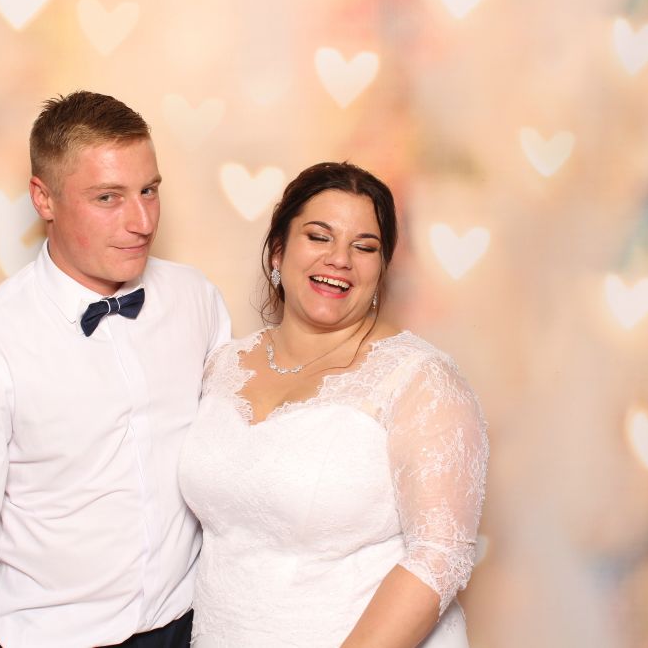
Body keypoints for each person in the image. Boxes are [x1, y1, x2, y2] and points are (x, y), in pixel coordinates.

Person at [0, 91, 231, 648]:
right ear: (44, 198)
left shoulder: (196, 300)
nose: (141, 222)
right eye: (108, 197)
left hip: (190, 626)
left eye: (149, 191)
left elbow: (228, 463)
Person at [178, 162, 488, 647]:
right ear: (278, 250)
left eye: (364, 247)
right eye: (319, 237)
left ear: (381, 269)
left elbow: (440, 554)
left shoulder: (422, 380)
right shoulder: (221, 365)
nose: (340, 259)